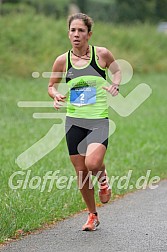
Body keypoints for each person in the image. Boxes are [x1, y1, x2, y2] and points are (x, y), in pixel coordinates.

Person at [48, 13, 121, 231]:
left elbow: (117, 72)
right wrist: (55, 95)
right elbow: (51, 85)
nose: (76, 34)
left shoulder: (102, 55)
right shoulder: (63, 60)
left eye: (81, 30)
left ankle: (104, 179)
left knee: (92, 164)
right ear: (68, 34)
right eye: (73, 30)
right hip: (74, 121)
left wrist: (115, 84)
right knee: (81, 172)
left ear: (89, 34)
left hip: (98, 119)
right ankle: (92, 215)